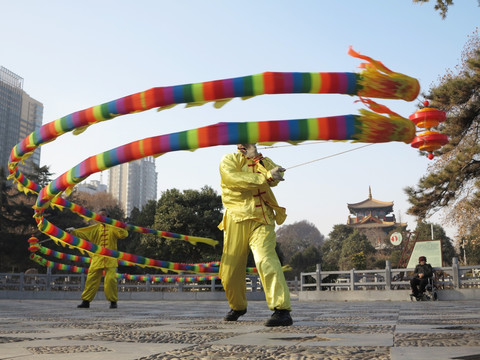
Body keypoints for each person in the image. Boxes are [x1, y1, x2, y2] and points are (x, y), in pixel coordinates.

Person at [218, 143, 292, 327]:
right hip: (236, 218)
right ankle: (238, 306)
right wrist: (265, 176)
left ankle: (281, 309)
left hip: (262, 218)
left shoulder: (264, 160)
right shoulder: (229, 159)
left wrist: (262, 164)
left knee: (266, 259)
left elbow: (274, 180)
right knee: (230, 270)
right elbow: (232, 179)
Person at [66, 209, 128, 309]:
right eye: (99, 216)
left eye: (103, 215)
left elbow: (123, 235)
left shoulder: (113, 227)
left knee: (111, 279)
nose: (101, 217)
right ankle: (86, 301)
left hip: (110, 258)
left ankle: (113, 301)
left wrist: (122, 226)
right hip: (97, 258)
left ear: (107, 216)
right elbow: (83, 234)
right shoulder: (94, 229)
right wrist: (73, 231)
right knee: (91, 279)